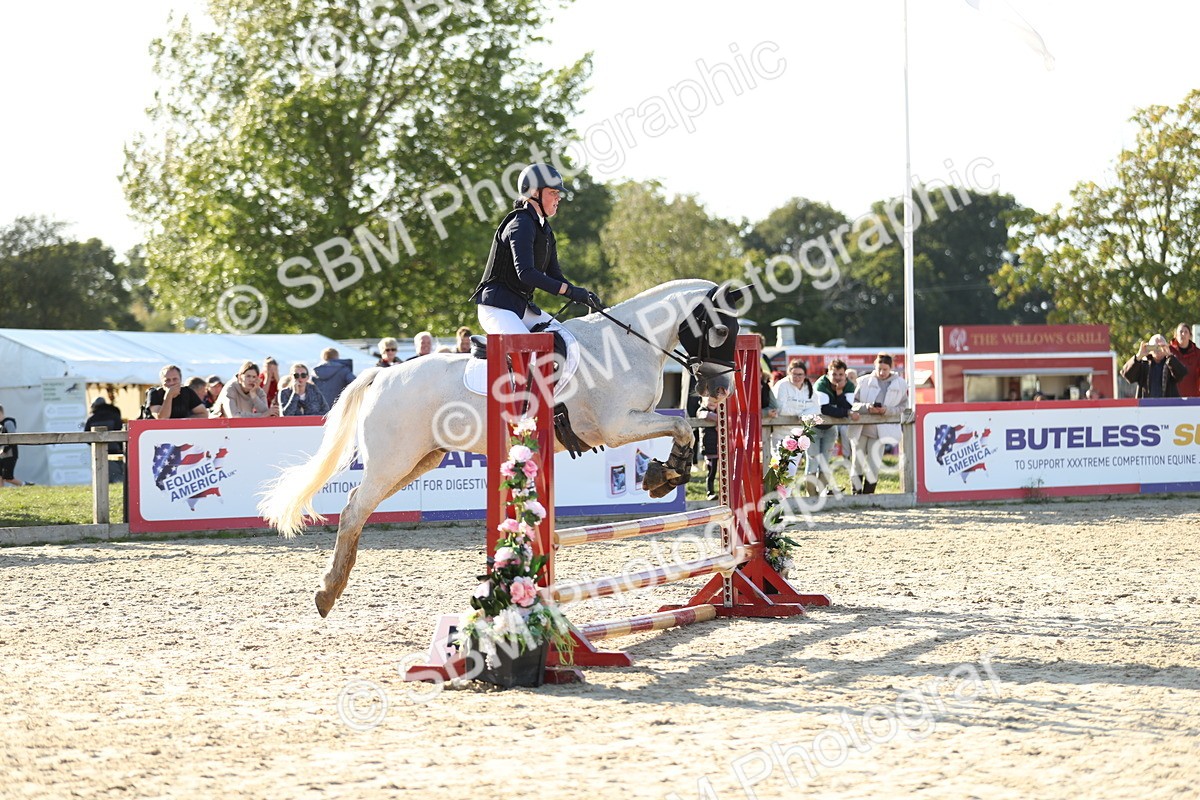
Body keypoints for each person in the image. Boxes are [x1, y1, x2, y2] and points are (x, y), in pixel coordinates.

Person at [471, 163, 602, 335]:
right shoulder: (521, 223)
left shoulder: (545, 229)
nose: (558, 198)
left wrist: (579, 294)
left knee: (567, 340)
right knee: (529, 351)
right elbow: (526, 273)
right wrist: (569, 291)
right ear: (534, 192)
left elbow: (555, 275)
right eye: (553, 192)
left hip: (520, 306)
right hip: (497, 306)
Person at [848, 353, 908, 495]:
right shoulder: (863, 381)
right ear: (875, 366)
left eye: (885, 369)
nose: (881, 372)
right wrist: (867, 407)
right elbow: (853, 403)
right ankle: (856, 494)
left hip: (882, 431)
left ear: (891, 368)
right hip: (861, 429)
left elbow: (903, 406)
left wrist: (887, 410)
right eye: (879, 368)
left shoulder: (900, 384)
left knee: (873, 466)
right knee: (857, 463)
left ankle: (869, 495)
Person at [810, 359, 858, 495]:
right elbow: (825, 409)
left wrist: (839, 393)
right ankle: (811, 496)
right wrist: (847, 413)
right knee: (812, 463)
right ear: (828, 373)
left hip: (830, 428)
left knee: (825, 462)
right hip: (813, 427)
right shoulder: (821, 384)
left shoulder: (848, 385)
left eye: (840, 374)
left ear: (845, 375)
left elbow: (848, 406)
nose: (837, 377)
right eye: (834, 374)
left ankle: (821, 494)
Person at [1121, 334, 1188, 398]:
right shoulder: (1143, 364)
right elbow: (1127, 375)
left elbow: (1181, 374)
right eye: (1154, 347)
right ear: (1149, 348)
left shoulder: (1171, 363)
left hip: (1168, 406)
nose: (1158, 349)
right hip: (1146, 406)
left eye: (1161, 347)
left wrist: (1169, 355)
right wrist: (1139, 356)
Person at [211, 361, 279, 418]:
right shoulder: (230, 389)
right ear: (240, 377)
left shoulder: (258, 390)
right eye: (248, 376)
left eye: (254, 377)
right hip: (219, 427)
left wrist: (254, 395)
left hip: (243, 427)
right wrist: (261, 416)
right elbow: (234, 416)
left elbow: (266, 413)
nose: (251, 380)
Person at [0, 404, 34, 487]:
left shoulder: (8, 422)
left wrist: (4, 450)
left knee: (7, 477)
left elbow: (13, 438)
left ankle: (25, 485)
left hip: (10, 454)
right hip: (1, 454)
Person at [696, 394, 721, 501]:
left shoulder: (719, 412)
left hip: (718, 446)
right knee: (711, 472)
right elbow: (705, 415)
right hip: (709, 447)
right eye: (710, 402)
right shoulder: (702, 410)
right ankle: (710, 492)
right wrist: (719, 420)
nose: (712, 404)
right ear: (703, 401)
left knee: (721, 471)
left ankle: (720, 491)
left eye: (715, 403)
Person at [1169, 323, 1200, 398]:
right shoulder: (1169, 351)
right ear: (1175, 335)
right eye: (1180, 332)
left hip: (1193, 396)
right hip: (1172, 397)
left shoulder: (1197, 353)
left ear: (1190, 335)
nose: (1183, 334)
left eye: (1186, 332)